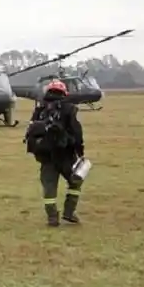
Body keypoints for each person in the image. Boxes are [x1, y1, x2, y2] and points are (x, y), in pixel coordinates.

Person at [26, 79, 85, 226]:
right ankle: (69, 212)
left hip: (46, 157)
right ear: (64, 93)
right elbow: (76, 132)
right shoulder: (69, 109)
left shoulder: (39, 111)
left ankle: (52, 217)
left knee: (49, 189)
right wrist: (80, 151)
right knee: (75, 182)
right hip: (66, 156)